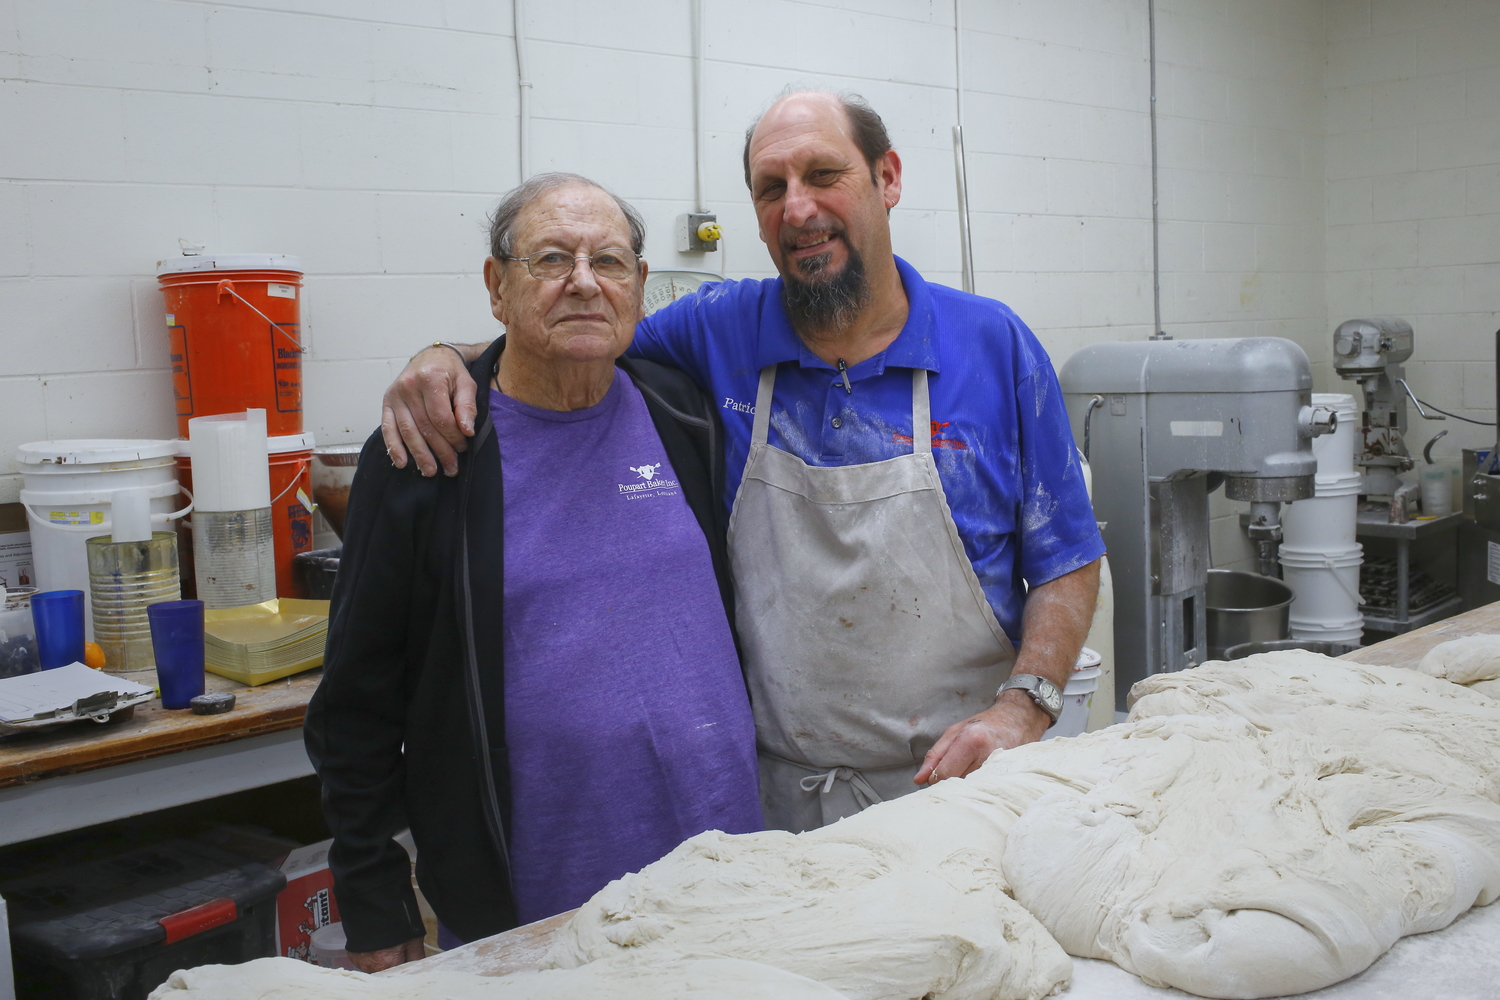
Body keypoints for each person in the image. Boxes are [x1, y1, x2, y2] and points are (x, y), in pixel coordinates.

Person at [380, 91, 1105, 834]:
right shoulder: (717, 330)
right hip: (775, 805)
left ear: (886, 179)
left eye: (824, 175)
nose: (798, 210)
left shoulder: (994, 346)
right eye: (771, 188)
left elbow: (1067, 556)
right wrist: (443, 356)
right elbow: (575, 329)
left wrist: (1025, 704)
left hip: (964, 789)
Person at [305, 173, 762, 971]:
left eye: (609, 262)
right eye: (552, 259)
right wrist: (375, 902)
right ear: (496, 286)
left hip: (722, 877)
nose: (584, 282)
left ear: (640, 286)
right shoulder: (426, 457)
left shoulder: (686, 416)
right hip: (531, 910)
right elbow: (355, 706)